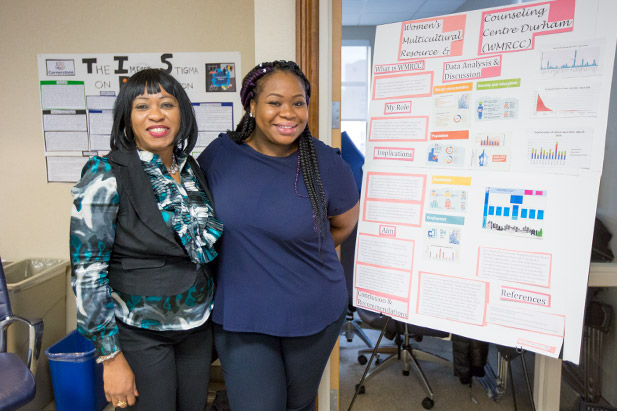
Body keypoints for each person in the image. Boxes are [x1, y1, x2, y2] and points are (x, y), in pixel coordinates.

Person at [197, 60, 360, 411]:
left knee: (298, 406)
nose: (288, 112)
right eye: (274, 101)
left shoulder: (326, 163)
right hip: (242, 315)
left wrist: (294, 255)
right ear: (252, 106)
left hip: (314, 312)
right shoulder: (220, 156)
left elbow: (344, 225)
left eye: (298, 102)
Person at [69, 68, 222, 410]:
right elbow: (87, 271)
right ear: (127, 118)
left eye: (167, 103)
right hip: (141, 332)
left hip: (197, 329)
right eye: (142, 106)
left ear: (182, 113)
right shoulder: (105, 172)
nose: (156, 114)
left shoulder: (190, 168)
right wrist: (110, 358)